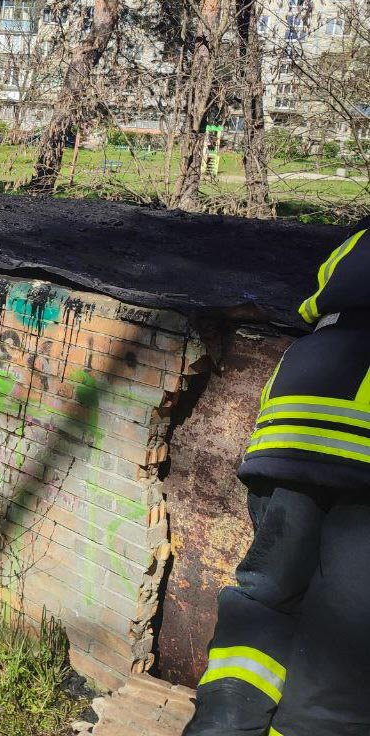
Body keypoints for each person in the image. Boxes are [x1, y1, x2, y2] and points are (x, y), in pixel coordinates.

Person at [183, 217, 370, 736]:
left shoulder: (359, 240)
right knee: (348, 636)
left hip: (299, 404)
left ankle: (222, 724)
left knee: (266, 595)